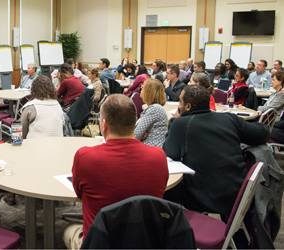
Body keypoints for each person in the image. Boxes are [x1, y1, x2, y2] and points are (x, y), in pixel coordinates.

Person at [63, 94, 169, 249]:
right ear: (135, 122)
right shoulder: (158, 157)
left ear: (103, 125)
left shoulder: (85, 157)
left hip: (102, 243)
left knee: (68, 230)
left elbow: (80, 195)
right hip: (145, 242)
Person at [163, 85, 269, 216]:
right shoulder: (229, 119)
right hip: (238, 195)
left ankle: (173, 230)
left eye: (180, 101)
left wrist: (173, 122)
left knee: (163, 188)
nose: (179, 105)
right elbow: (263, 133)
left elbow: (168, 155)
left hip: (206, 198)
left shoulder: (181, 124)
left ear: (188, 107)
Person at [135, 79, 168, 147]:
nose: (141, 89)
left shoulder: (154, 109)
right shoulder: (155, 108)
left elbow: (136, 135)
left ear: (149, 91)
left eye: (143, 87)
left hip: (150, 149)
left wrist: (140, 135)